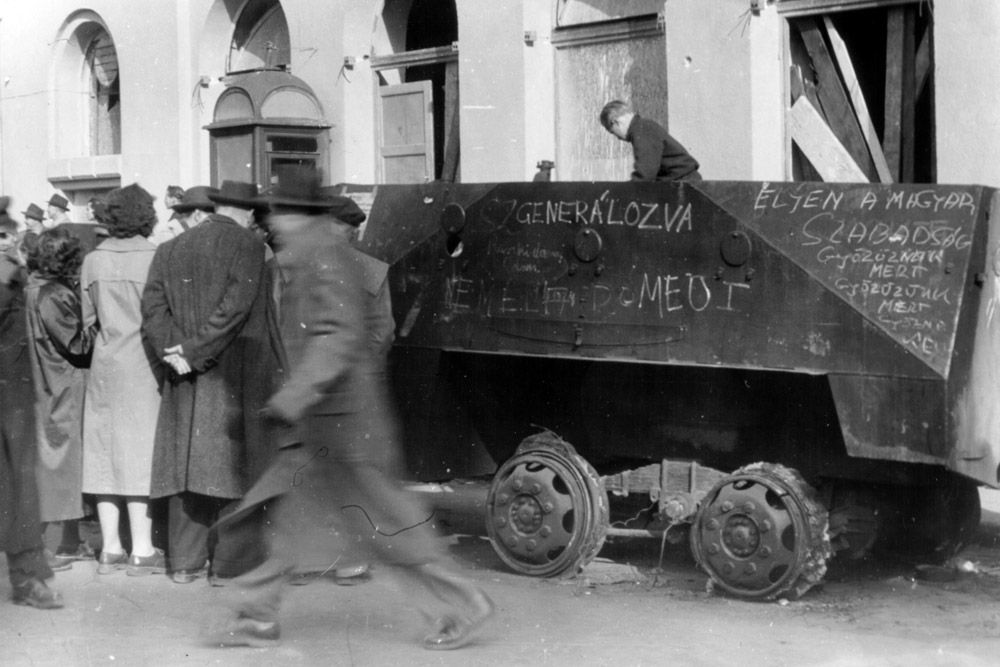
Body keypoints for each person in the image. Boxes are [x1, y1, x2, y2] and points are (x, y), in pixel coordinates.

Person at [208, 166, 493, 650]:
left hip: (344, 427)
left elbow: (337, 337)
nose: (271, 220)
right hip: (327, 424)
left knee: (386, 523)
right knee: (297, 522)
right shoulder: (312, 254)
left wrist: (293, 396)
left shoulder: (323, 257)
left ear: (298, 213)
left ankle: (464, 604)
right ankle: (255, 614)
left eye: (277, 210)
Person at [141, 180, 280, 586]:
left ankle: (184, 563)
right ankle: (228, 566)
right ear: (250, 213)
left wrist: (177, 351)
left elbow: (152, 308)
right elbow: (235, 309)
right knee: (233, 468)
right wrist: (196, 351)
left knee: (185, 465)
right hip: (232, 372)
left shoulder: (169, 248)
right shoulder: (251, 247)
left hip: (182, 375)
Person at [80, 184, 164, 577]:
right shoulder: (155, 257)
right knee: (140, 451)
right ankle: (142, 548)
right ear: (146, 216)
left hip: (104, 364)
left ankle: (111, 548)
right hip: (143, 365)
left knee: (103, 450)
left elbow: (86, 322)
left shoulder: (93, 261)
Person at [23, 228, 95, 572]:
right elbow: (78, 345)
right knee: (62, 466)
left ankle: (68, 541)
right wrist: (100, 324)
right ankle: (51, 547)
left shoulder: (27, 289)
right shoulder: (54, 294)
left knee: (52, 466)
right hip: (61, 384)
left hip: (38, 385)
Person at [0, 224, 63, 609]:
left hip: (12, 398)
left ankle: (27, 577)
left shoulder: (12, 275)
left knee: (19, 488)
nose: (7, 239)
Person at [599, 99, 702, 182]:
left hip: (684, 186)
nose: (618, 138)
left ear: (616, 122)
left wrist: (625, 193)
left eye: (612, 132)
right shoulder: (643, 126)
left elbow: (646, 173)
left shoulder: (642, 129)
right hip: (682, 182)